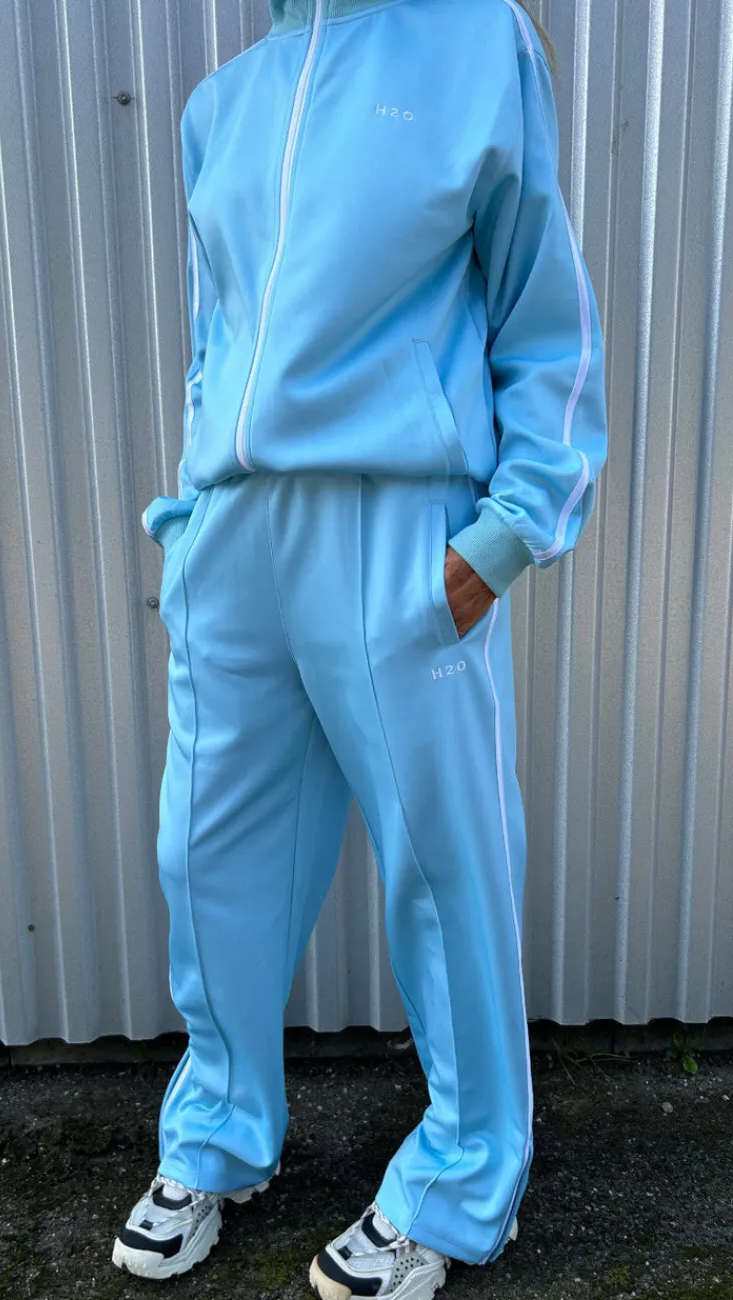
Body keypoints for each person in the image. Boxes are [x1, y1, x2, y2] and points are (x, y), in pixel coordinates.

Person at [112, 0, 608, 1294]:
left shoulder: (475, 41)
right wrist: (192, 512)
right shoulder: (220, 105)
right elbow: (218, 338)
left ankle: (464, 1184)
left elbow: (541, 301)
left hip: (399, 526)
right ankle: (217, 1137)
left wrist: (510, 530)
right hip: (235, 538)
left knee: (446, 867)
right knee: (207, 850)